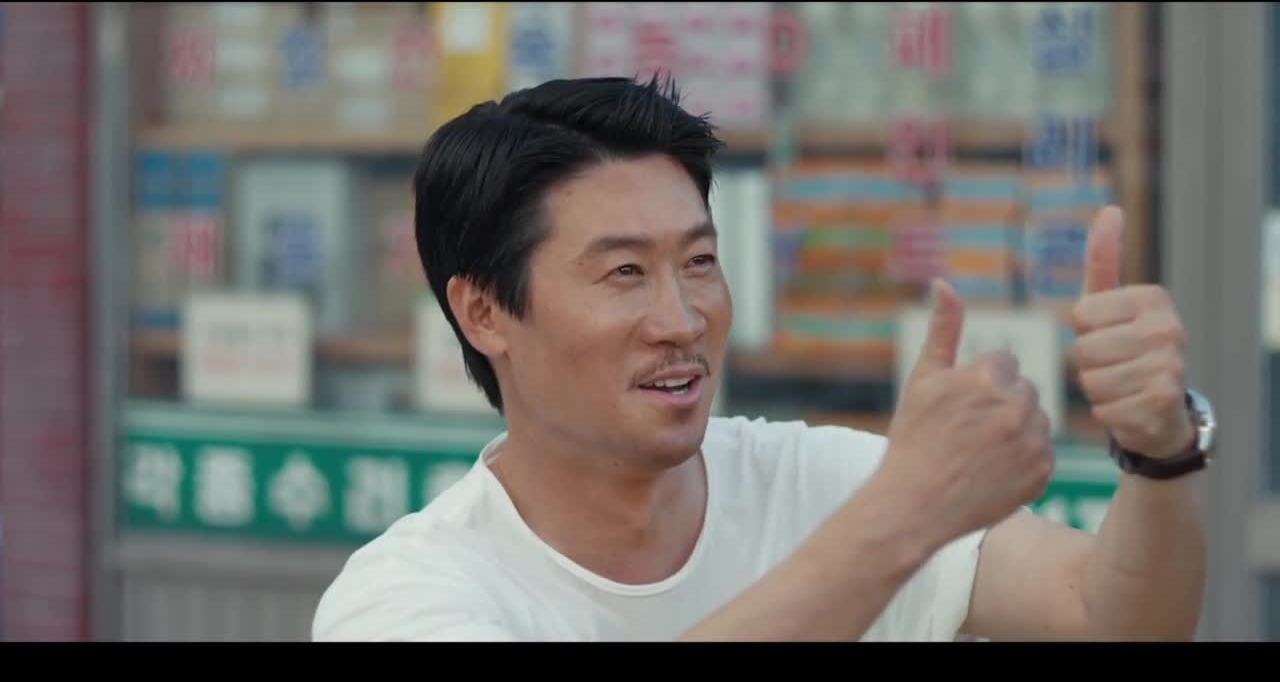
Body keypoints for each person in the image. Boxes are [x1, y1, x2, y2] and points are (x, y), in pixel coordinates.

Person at [312, 76, 1209, 642]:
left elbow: (1112, 615)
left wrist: (1160, 452)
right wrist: (900, 520)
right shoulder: (404, 595)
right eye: (625, 273)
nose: (681, 319)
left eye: (700, 262)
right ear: (483, 313)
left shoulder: (820, 481)